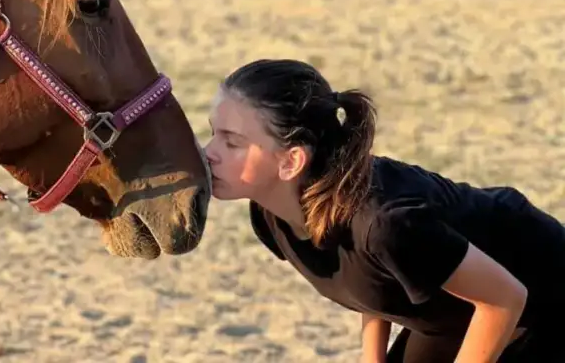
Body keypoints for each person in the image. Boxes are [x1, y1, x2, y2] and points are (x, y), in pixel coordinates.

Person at [203, 58, 565, 362]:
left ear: (291, 161)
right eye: (213, 133)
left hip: (539, 292)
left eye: (231, 142)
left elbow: (506, 298)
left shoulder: (386, 224)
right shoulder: (272, 214)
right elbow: (371, 280)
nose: (209, 152)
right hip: (453, 313)